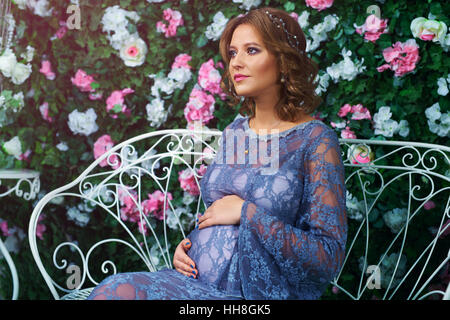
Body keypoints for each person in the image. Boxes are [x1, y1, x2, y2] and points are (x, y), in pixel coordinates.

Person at [87, 6, 347, 300]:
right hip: (192, 281)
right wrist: (187, 246)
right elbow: (216, 214)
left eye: (251, 50)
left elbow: (328, 255)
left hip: (254, 296)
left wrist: (247, 212)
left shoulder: (315, 140)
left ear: (284, 61)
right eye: (233, 53)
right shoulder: (236, 132)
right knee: (115, 289)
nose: (236, 63)